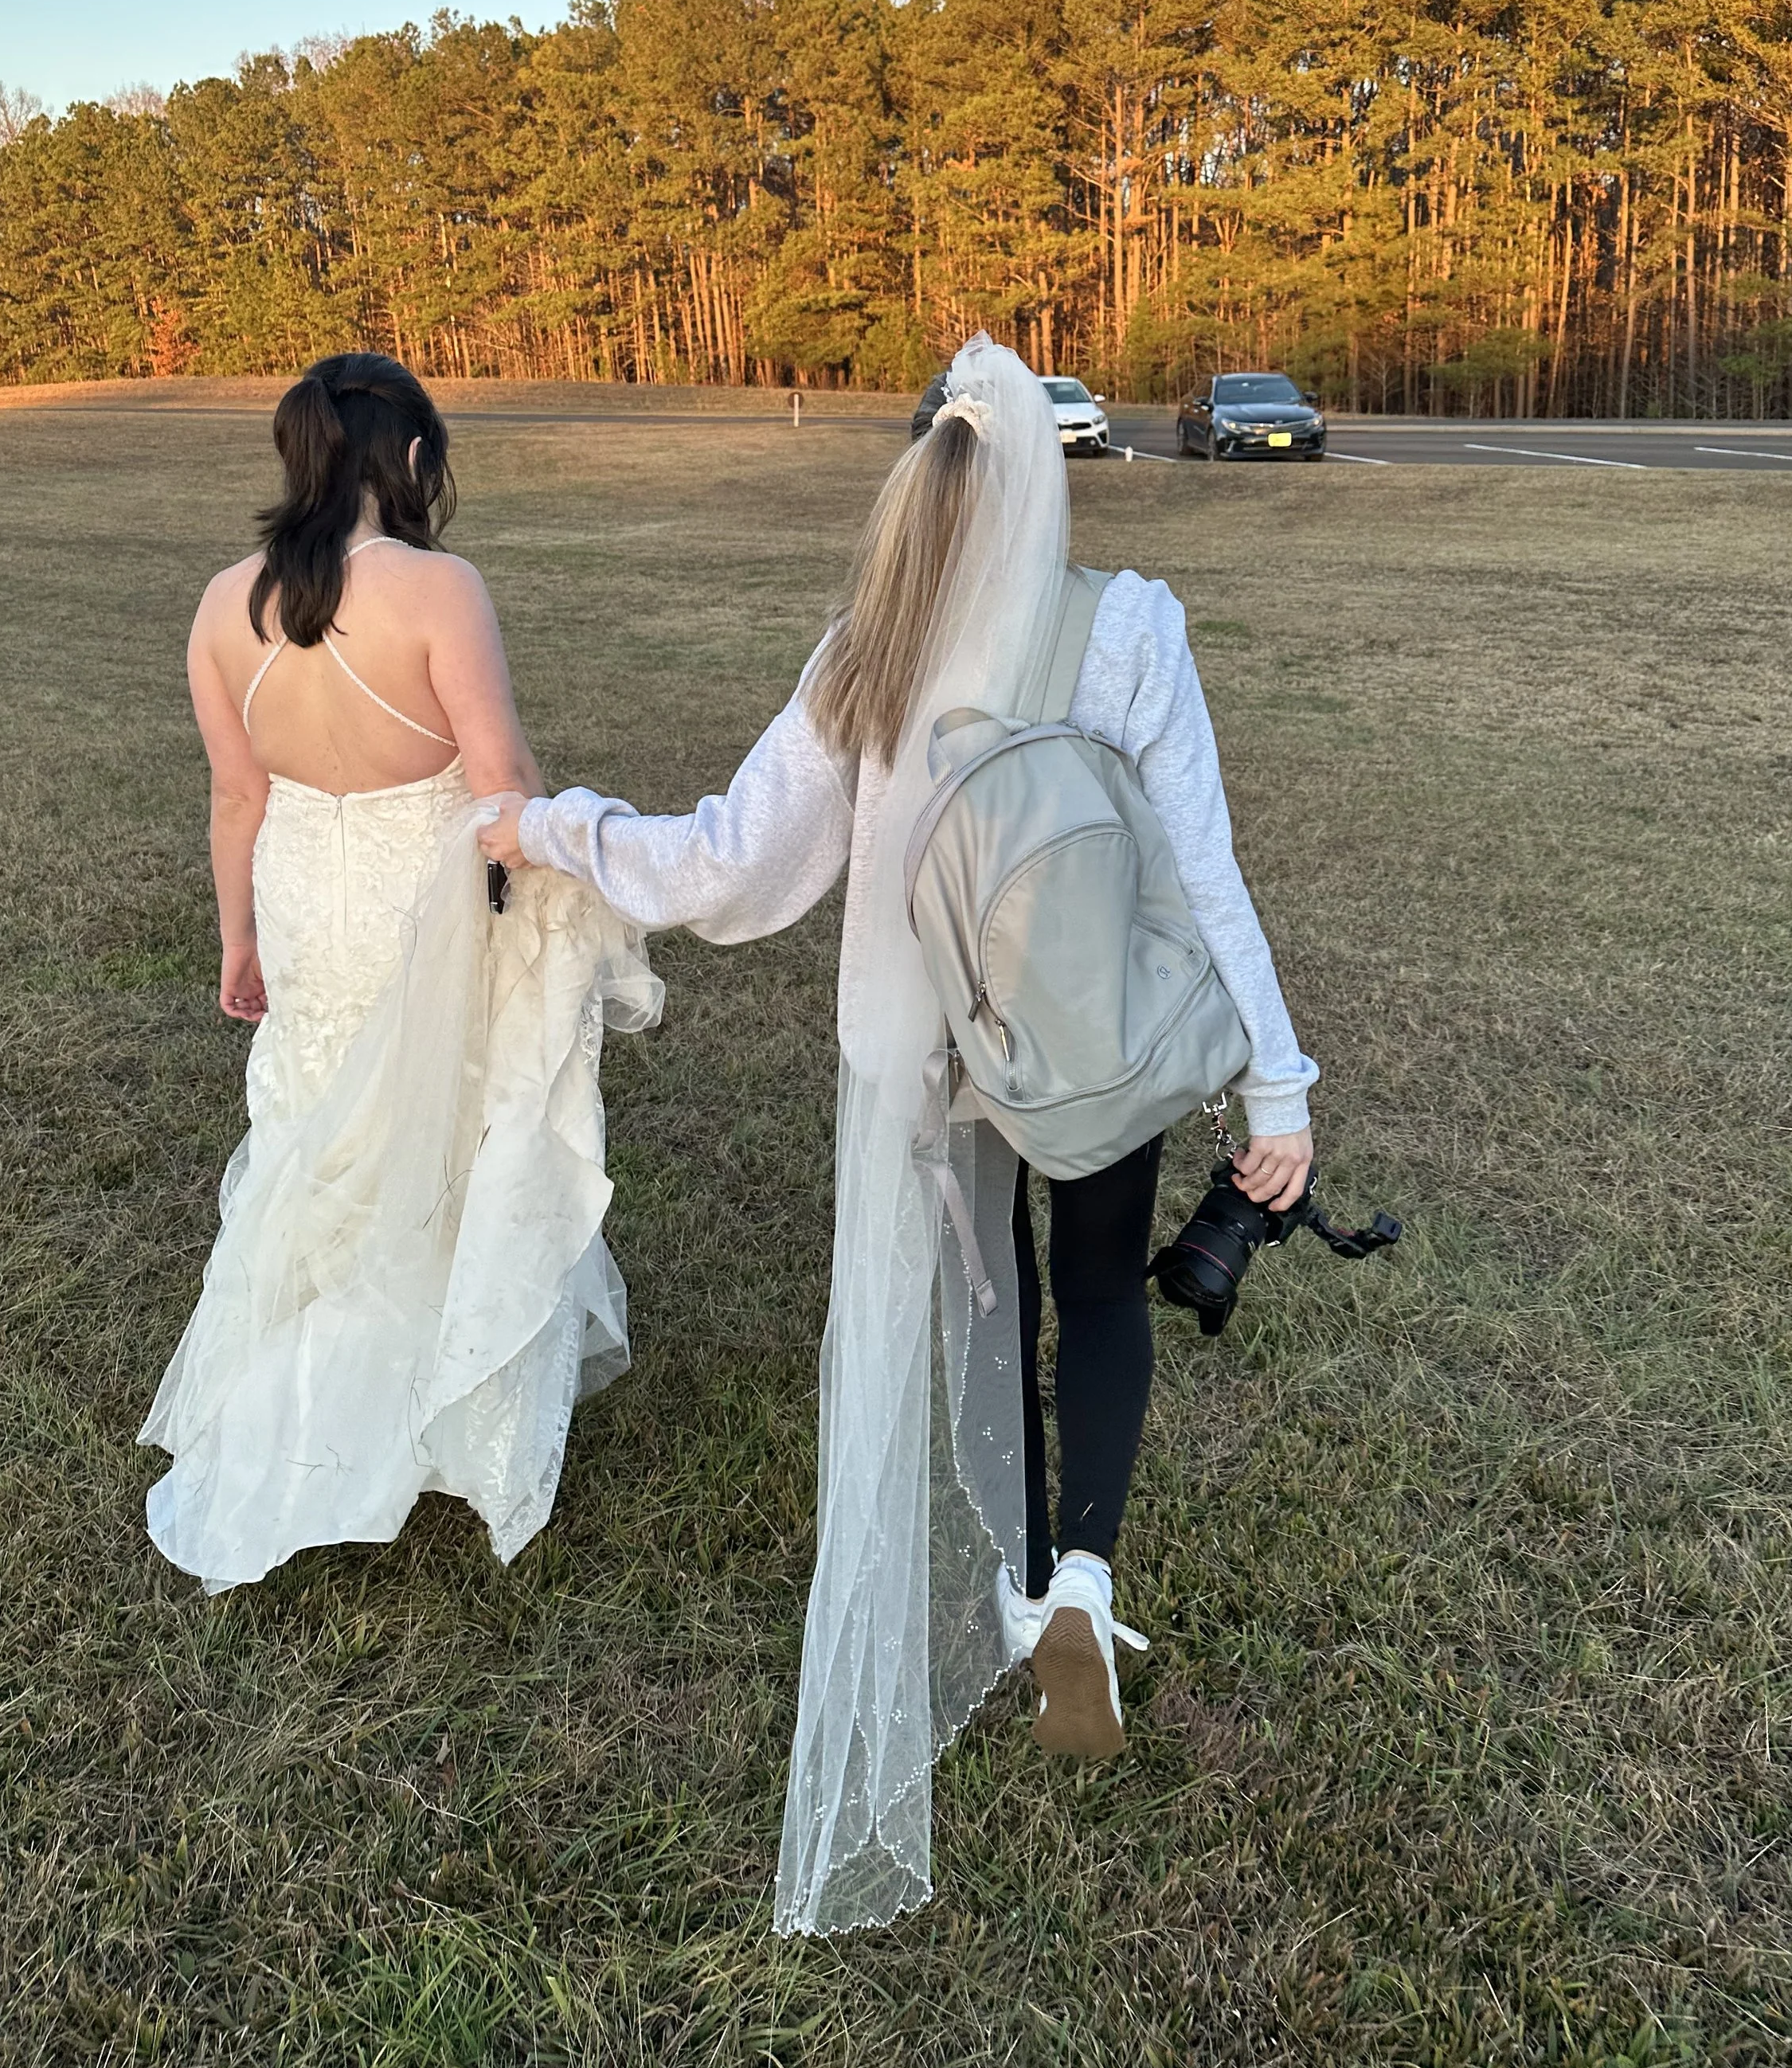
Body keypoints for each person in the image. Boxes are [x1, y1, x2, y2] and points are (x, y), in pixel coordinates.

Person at [479, 333, 1315, 1933]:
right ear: (1046, 479)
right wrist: (1274, 1087)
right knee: (1095, 1289)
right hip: (1086, 1042)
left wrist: (554, 827)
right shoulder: (1128, 626)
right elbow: (1204, 871)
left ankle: (1007, 1581)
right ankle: (1083, 1582)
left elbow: (731, 865)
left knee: (980, 1293)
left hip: (923, 1058)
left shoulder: (864, 649)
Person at [142, 351, 659, 1593]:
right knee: (450, 1126)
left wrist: (238, 938)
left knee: (317, 1125)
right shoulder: (437, 588)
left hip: (301, 905)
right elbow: (503, 780)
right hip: (418, 910)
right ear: (414, 457)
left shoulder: (222, 605)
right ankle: (436, 1407)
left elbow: (236, 796)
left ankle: (315, 1398)